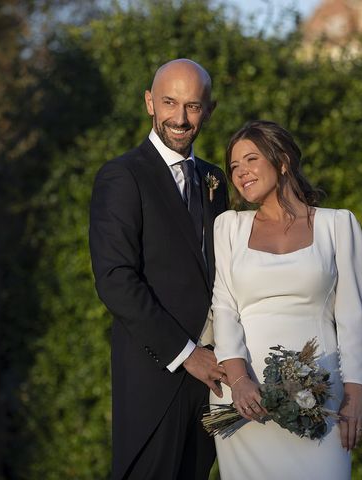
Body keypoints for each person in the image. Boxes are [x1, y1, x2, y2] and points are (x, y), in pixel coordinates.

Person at [89, 59, 229, 479]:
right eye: (169, 102)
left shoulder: (215, 180)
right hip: (155, 378)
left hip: (212, 384)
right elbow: (115, 279)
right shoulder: (122, 175)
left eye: (193, 106)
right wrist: (188, 356)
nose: (180, 118)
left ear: (209, 109)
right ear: (150, 102)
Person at [209, 120, 362, 479]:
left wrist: (355, 393)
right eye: (234, 167)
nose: (240, 173)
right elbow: (224, 306)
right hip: (245, 399)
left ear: (282, 160)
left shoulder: (337, 225)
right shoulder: (229, 227)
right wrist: (238, 382)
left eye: (251, 160)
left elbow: (353, 314)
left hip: (321, 396)